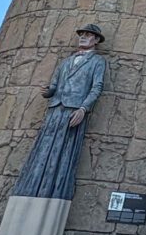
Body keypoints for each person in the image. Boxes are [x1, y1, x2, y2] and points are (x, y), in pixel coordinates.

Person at [13, 24, 106, 200]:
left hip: (73, 111)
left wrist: (83, 108)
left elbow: (96, 87)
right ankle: (32, 188)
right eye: (82, 35)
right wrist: (48, 91)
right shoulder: (66, 62)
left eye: (88, 35)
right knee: (43, 149)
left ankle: (52, 191)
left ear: (96, 40)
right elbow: (55, 84)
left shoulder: (97, 62)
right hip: (56, 109)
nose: (83, 37)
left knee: (62, 151)